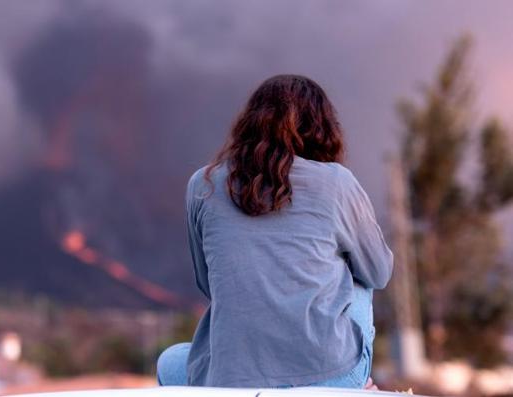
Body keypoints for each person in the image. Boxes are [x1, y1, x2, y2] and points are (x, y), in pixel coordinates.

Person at [157, 74, 394, 389]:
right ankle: (354, 383)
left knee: (169, 362)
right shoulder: (337, 182)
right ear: (322, 129)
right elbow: (378, 273)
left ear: (249, 123)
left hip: (230, 382)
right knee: (358, 276)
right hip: (330, 377)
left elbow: (208, 283)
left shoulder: (202, 184)